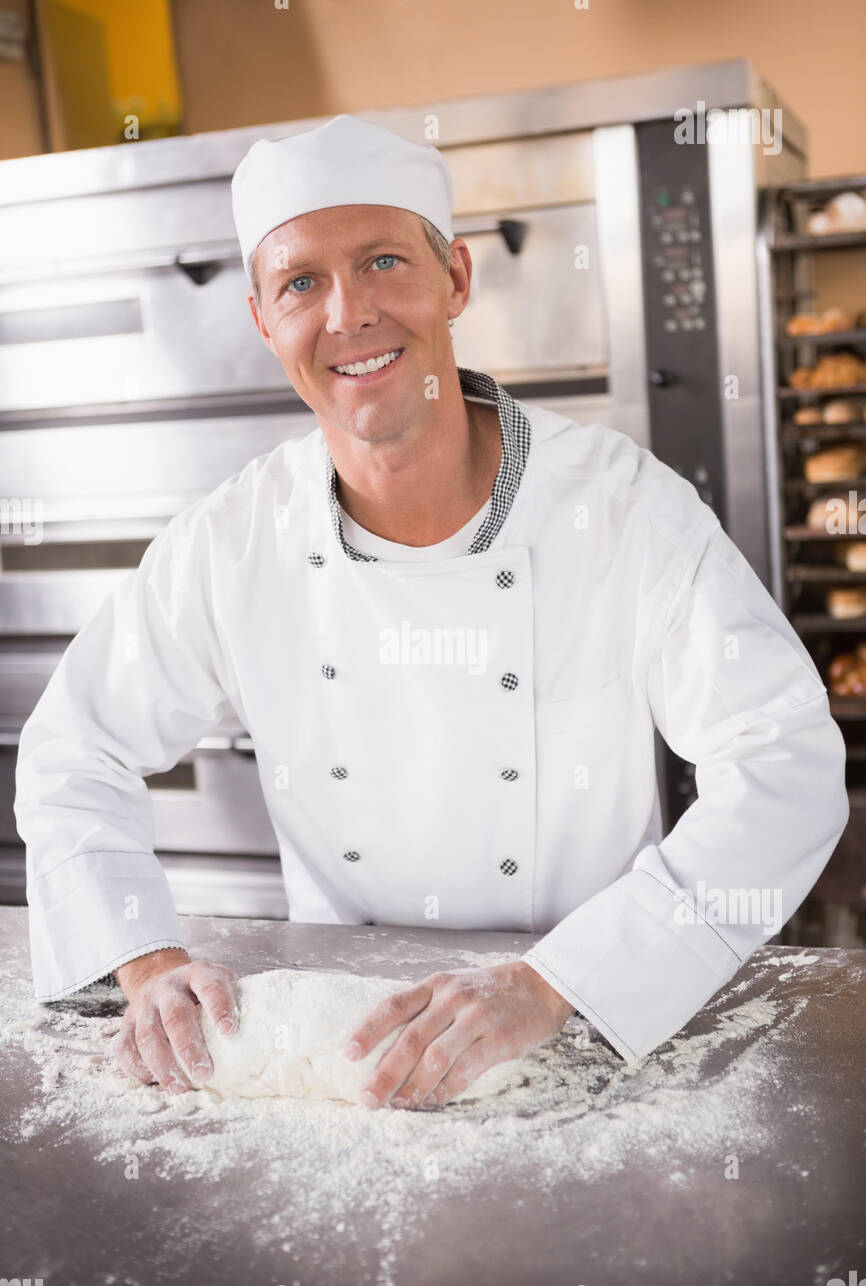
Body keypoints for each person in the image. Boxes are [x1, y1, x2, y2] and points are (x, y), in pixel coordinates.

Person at [14, 115, 848, 1110]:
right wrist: (143, 960)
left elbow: (784, 764)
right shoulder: (234, 538)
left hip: (585, 1024)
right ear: (260, 319)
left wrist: (556, 981)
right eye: (300, 283)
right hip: (339, 1060)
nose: (348, 314)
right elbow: (74, 751)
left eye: (380, 261)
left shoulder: (624, 508)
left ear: (455, 275)